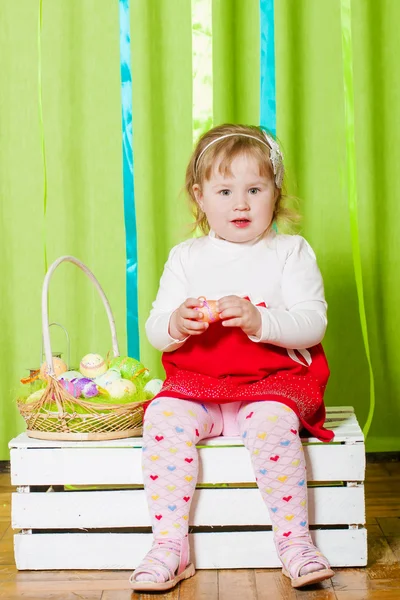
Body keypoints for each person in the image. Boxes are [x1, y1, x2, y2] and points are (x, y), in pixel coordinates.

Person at [130, 123, 335, 592]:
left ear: (275, 194)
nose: (240, 203)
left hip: (270, 384)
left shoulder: (290, 252)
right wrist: (177, 323)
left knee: (271, 429)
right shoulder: (186, 257)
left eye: (254, 189)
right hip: (198, 386)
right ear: (201, 197)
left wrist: (261, 321)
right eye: (224, 190)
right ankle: (169, 545)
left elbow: (312, 322)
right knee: (162, 417)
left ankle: (294, 543)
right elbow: (157, 330)